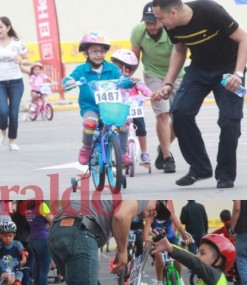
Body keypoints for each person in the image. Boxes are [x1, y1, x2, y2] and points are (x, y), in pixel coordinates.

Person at [151, 0, 247, 189]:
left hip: (229, 70)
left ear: (173, 12)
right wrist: (168, 84)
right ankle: (200, 168)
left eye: (160, 18)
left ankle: (225, 174)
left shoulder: (210, 10)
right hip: (199, 69)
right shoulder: (171, 26)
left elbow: (244, 39)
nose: (159, 22)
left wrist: (238, 73)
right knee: (180, 112)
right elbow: (180, 50)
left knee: (230, 121)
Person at [131, 2, 182, 173]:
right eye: (148, 23)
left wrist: (169, 81)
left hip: (176, 73)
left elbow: (178, 56)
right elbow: (134, 57)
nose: (151, 27)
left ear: (161, 19)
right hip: (153, 74)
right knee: (162, 113)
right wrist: (126, 77)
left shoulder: (172, 31)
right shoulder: (138, 31)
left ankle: (163, 147)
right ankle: (168, 157)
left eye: (154, 22)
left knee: (182, 116)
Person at [61, 31, 125, 166]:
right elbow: (70, 79)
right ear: (86, 54)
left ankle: (123, 153)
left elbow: (122, 79)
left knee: (124, 123)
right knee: (90, 123)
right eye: (94, 51)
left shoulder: (112, 68)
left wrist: (127, 82)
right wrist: (69, 82)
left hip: (109, 106)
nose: (99, 54)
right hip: (90, 107)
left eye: (102, 51)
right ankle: (86, 147)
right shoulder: (81, 69)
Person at [109, 48, 153, 164]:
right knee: (119, 130)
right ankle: (122, 154)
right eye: (116, 66)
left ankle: (144, 152)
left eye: (120, 67)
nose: (119, 70)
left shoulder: (134, 81)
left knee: (142, 130)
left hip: (135, 110)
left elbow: (145, 90)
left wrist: (151, 95)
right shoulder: (113, 82)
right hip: (121, 111)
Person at [0, 16, 29, 151]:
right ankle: (2, 131)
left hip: (16, 82)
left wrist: (20, 61)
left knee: (13, 113)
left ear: (8, 28)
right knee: (3, 111)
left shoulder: (16, 42)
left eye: (1, 26)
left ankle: (12, 141)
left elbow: (27, 60)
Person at [143, 200, 191, 285]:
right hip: (158, 241)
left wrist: (186, 237)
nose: (152, 212)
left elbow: (179, 226)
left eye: (154, 210)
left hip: (171, 239)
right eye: (152, 210)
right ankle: (160, 282)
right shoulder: (150, 217)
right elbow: (146, 230)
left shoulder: (170, 215)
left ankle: (180, 278)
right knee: (158, 255)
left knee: (178, 254)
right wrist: (146, 240)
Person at [24, 200, 57, 285]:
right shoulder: (42, 206)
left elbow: (34, 222)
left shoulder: (28, 209)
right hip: (43, 238)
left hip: (32, 239)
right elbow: (53, 221)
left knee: (38, 270)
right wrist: (48, 224)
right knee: (43, 270)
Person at [0, 220, 30, 285]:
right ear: (1, 236)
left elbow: (23, 252)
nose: (7, 238)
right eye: (5, 236)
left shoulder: (17, 244)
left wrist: (23, 258)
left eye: (10, 235)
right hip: (3, 273)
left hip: (16, 270)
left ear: (14, 235)